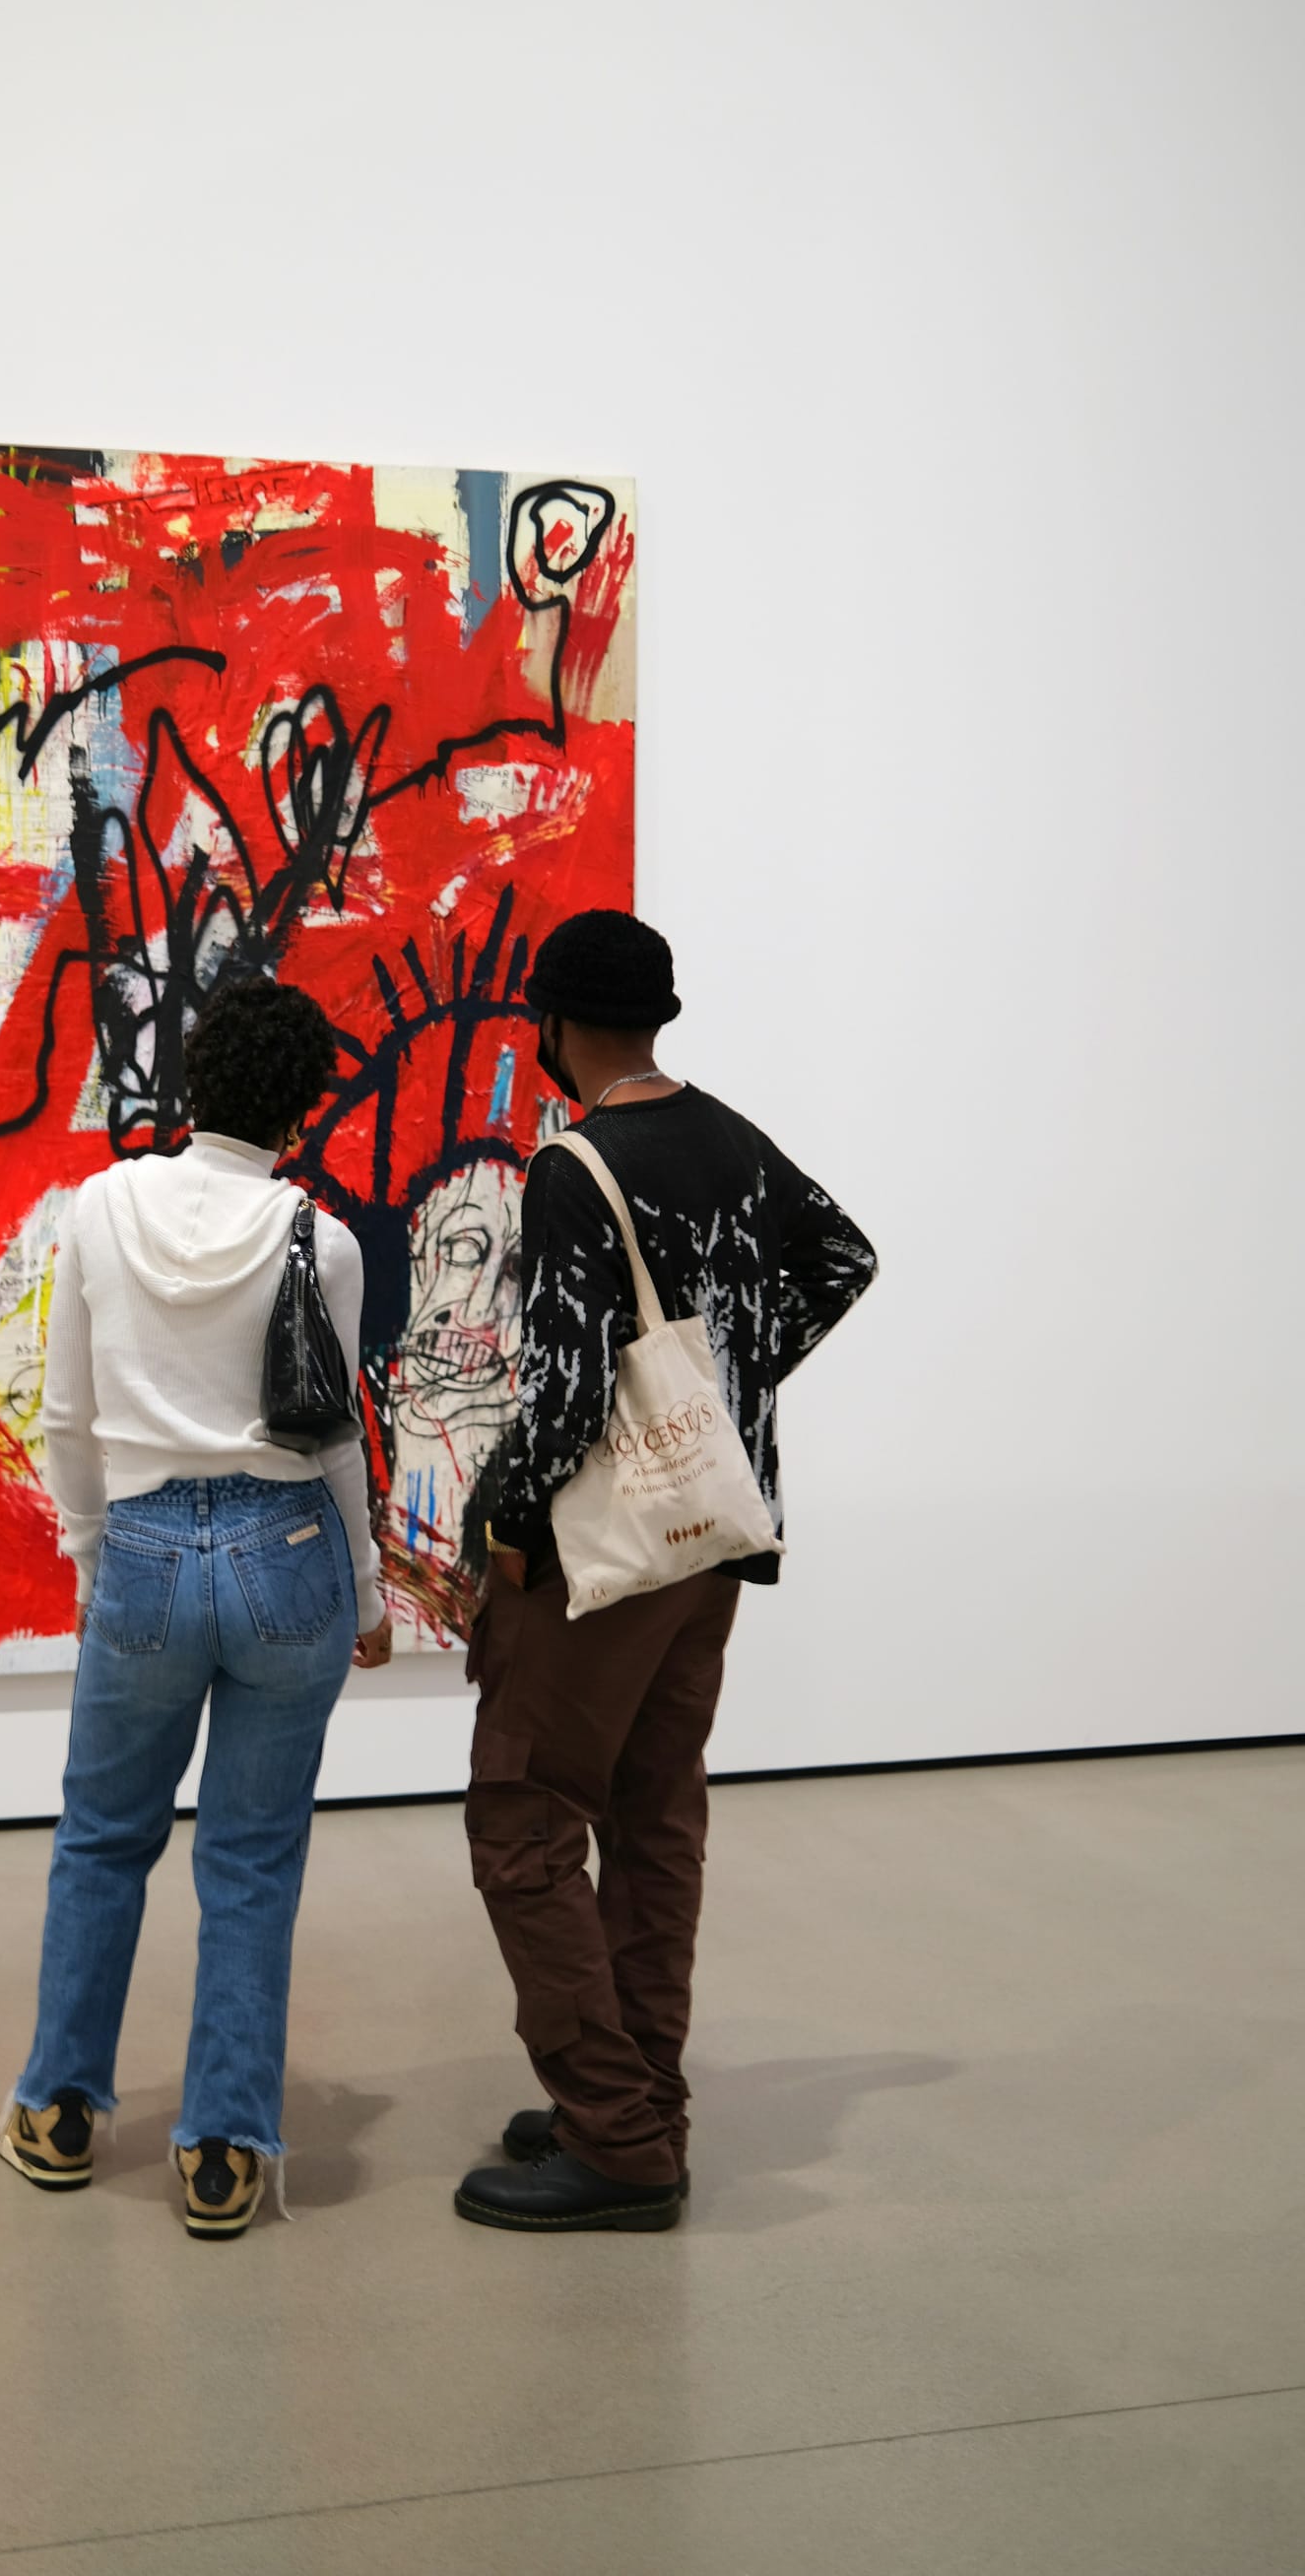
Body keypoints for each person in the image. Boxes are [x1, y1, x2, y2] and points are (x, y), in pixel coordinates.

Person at [456, 910, 878, 2233]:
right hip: (714, 1532)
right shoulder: (725, 1133)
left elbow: (574, 1395)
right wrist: (737, 1379)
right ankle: (636, 2106)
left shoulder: (575, 1165)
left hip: (605, 1554)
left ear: (555, 1028)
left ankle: (619, 2141)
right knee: (655, 1817)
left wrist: (498, 1519)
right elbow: (844, 1260)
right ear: (658, 1016)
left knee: (524, 1826)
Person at [1, 975, 393, 2242]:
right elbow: (335, 1437)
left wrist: (85, 1555)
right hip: (287, 1554)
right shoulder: (317, 1240)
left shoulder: (99, 1208)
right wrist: (372, 1586)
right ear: (301, 1102)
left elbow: (64, 1415)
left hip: (148, 1550)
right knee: (251, 1859)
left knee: (103, 1837)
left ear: (192, 1076)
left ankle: (61, 2114)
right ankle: (222, 2151)